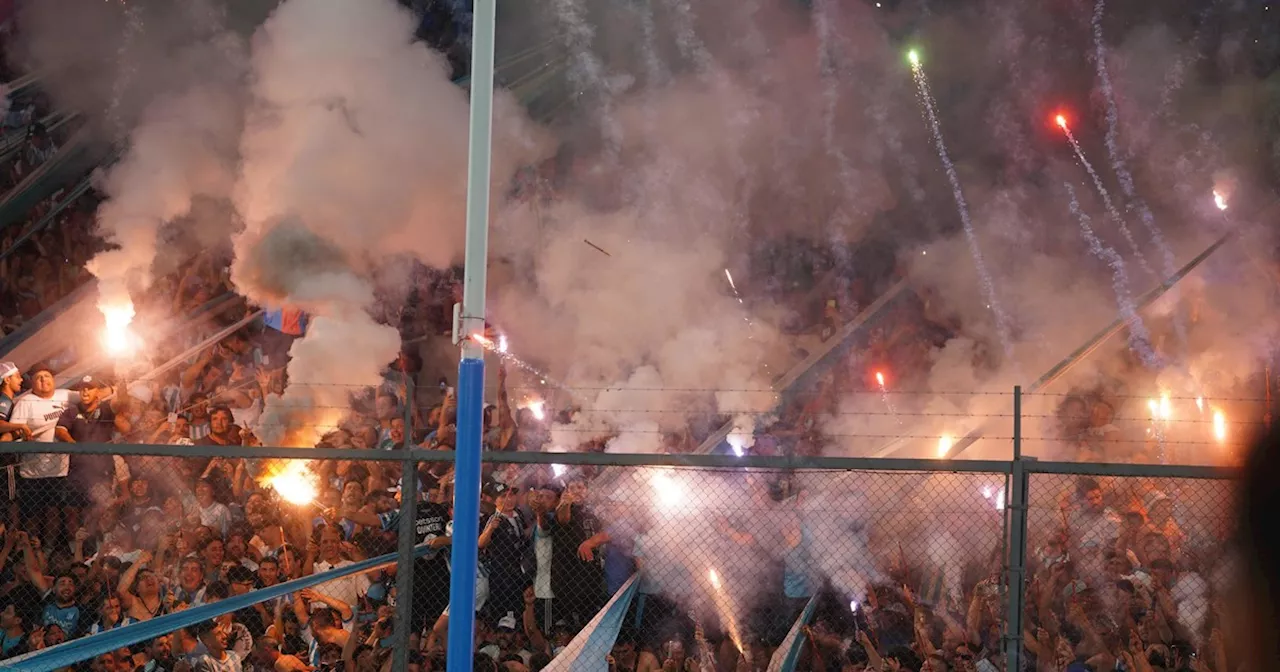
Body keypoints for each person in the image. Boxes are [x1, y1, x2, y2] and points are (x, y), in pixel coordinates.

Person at [8, 365, 80, 545]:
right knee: (33, 515)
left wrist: (115, 388)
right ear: (32, 382)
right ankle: (30, 550)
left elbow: (93, 394)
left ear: (53, 380)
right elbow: (15, 430)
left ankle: (48, 551)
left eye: (47, 376)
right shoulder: (25, 402)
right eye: (38, 377)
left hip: (59, 470)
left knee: (54, 513)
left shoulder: (65, 395)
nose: (43, 380)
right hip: (32, 471)